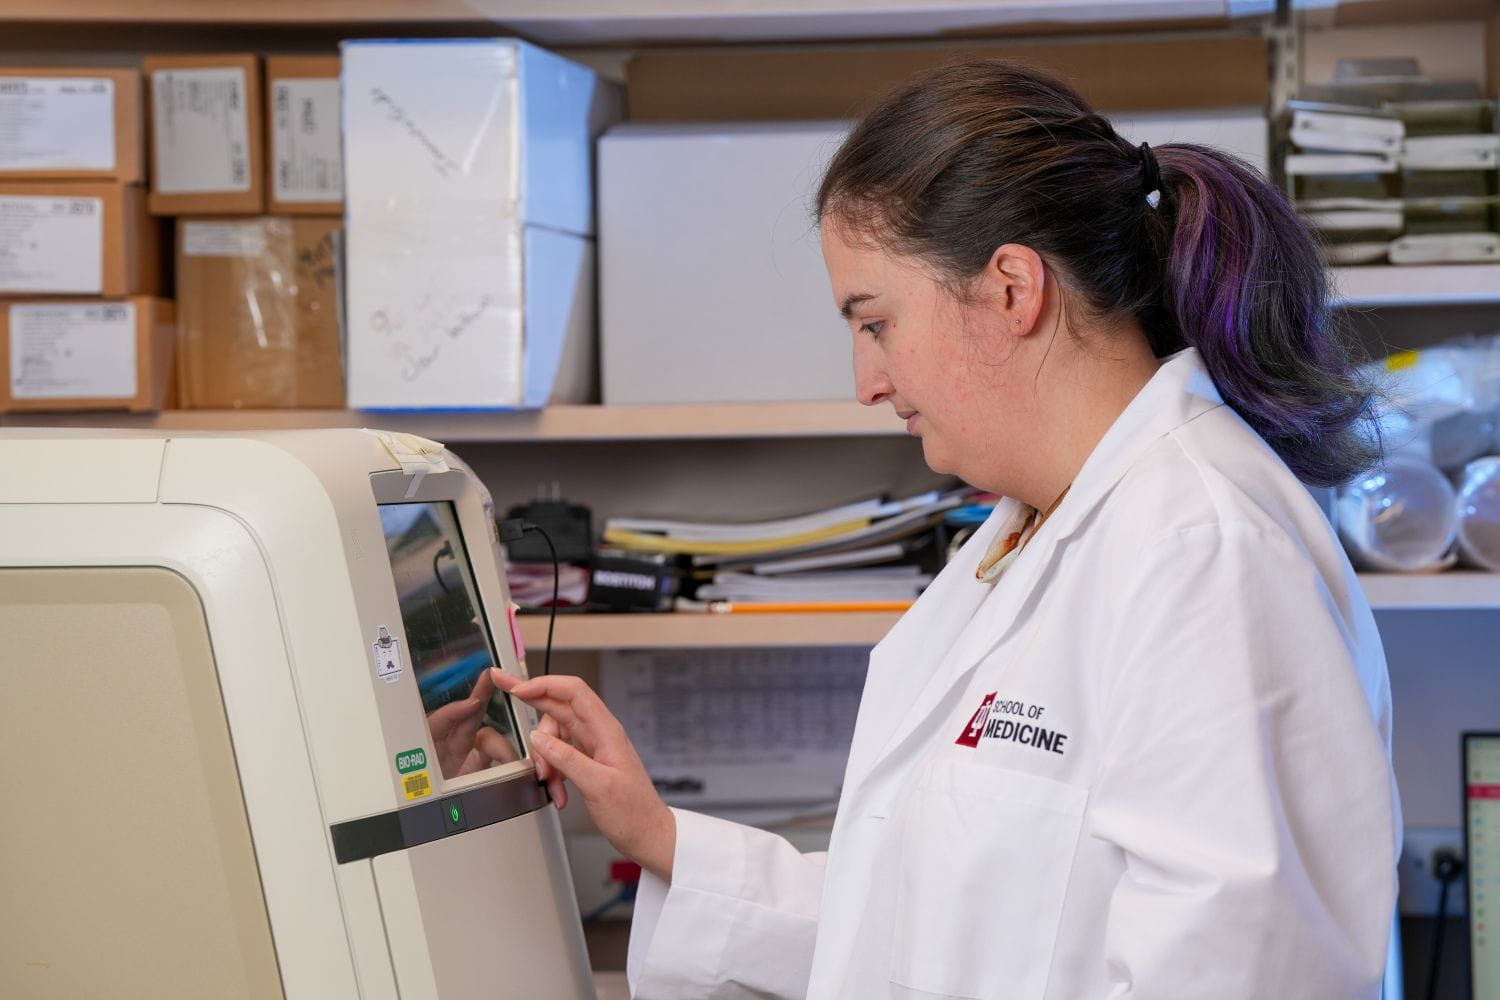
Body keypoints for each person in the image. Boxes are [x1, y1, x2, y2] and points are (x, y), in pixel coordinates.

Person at [493, 59, 1402, 999]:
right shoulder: (1032, 532)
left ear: (1013, 289)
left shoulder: (1206, 550)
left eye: (876, 322)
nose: (866, 382)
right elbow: (918, 921)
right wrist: (658, 835)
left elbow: (1245, 976)